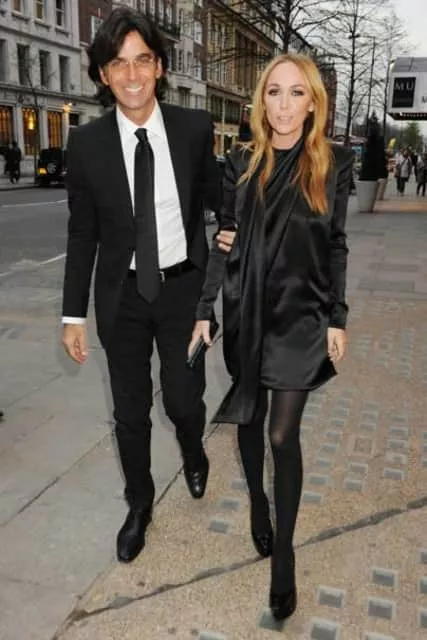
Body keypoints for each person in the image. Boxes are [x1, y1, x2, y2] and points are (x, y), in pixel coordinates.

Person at [189, 53, 353, 621]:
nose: (284, 105)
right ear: (261, 100)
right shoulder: (241, 162)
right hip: (251, 308)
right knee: (251, 417)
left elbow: (336, 243)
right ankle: (258, 504)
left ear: (313, 103)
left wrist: (338, 316)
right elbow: (225, 239)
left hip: (303, 313)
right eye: (274, 92)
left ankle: (284, 555)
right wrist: (206, 308)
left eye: (296, 93)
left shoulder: (333, 163)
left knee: (283, 435)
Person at [61, 7, 226, 564]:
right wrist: (72, 316)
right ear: (102, 75)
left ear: (159, 67)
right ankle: (140, 504)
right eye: (118, 63)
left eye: (142, 60)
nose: (132, 75)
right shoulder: (86, 145)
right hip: (122, 299)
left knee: (183, 400)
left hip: (184, 292)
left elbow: (221, 204)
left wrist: (225, 267)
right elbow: (82, 234)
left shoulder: (194, 129)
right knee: (129, 413)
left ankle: (192, 448)